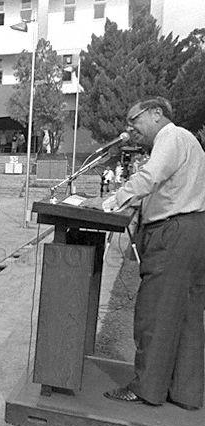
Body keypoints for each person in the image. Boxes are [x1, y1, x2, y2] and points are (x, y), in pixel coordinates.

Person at [101, 97, 205, 410]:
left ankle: (147, 387)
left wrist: (114, 201)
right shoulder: (187, 140)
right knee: (186, 316)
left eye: (135, 120)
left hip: (173, 234)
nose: (130, 128)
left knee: (155, 312)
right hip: (194, 230)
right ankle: (185, 391)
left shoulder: (170, 137)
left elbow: (150, 178)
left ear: (157, 113)